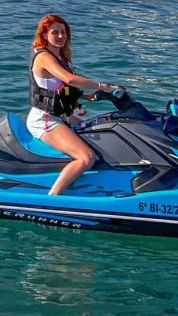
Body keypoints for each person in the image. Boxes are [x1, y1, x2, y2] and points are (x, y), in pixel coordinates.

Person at [26, 14, 119, 197]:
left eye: (64, 32)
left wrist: (87, 96)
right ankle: (53, 198)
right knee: (86, 157)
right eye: (55, 32)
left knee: (97, 129)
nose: (61, 36)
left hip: (61, 115)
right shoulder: (44, 56)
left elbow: (59, 88)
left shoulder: (59, 57)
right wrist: (103, 86)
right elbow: (69, 79)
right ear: (44, 35)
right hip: (45, 120)